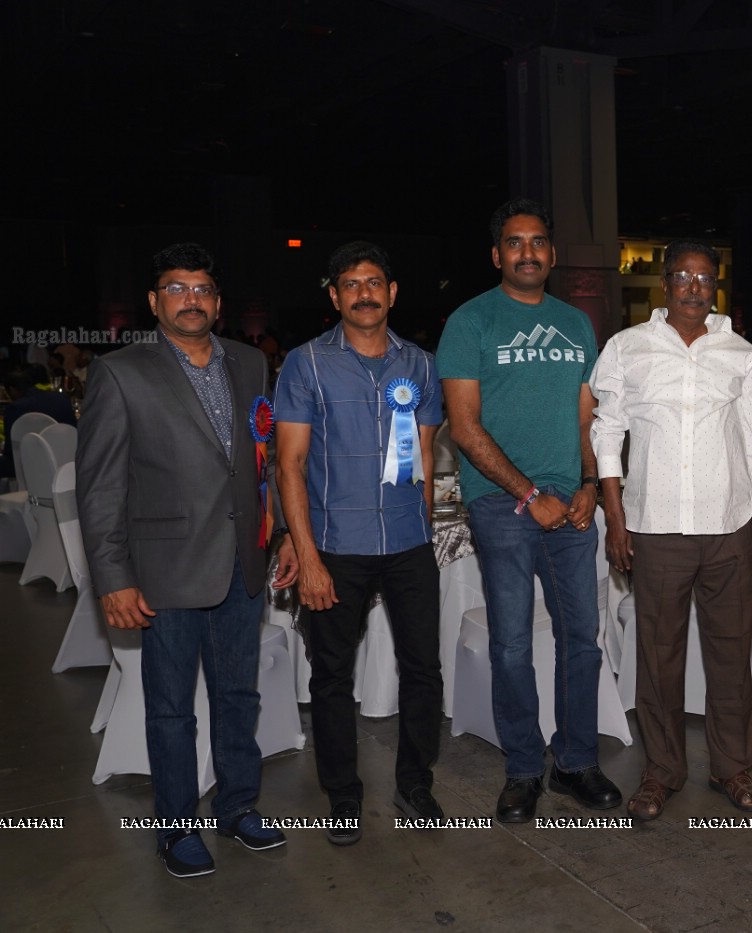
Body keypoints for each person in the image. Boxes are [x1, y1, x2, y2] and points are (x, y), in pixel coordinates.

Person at [76, 242, 297, 877]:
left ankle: (237, 807)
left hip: (243, 565)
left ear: (218, 303)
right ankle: (175, 829)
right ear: (154, 302)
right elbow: (101, 487)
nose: (191, 299)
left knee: (239, 695)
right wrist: (113, 578)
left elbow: (260, 467)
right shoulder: (121, 372)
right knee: (170, 707)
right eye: (177, 288)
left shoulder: (251, 363)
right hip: (164, 571)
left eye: (201, 290)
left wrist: (277, 534)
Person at [437, 199, 621, 822]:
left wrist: (590, 483)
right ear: (497, 255)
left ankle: (575, 762)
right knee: (513, 645)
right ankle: (522, 769)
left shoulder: (575, 324)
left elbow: (585, 414)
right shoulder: (470, 322)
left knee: (583, 643)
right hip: (501, 506)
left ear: (551, 252)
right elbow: (464, 427)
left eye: (538, 242)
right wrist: (526, 494)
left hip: (571, 508)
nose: (528, 252)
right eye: (515, 243)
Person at [591, 240, 752, 820]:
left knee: (729, 652)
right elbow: (607, 433)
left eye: (705, 277)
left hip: (728, 526)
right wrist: (616, 519)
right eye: (683, 276)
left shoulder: (740, 353)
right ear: (664, 284)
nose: (694, 286)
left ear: (714, 285)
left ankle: (733, 767)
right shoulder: (627, 348)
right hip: (656, 528)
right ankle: (662, 772)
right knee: (659, 656)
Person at [276, 241, 445, 845]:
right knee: (331, 676)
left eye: (375, 282)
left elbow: (422, 456)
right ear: (334, 296)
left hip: (407, 543)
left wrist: (423, 535)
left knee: (424, 668)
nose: (364, 293)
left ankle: (416, 782)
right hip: (336, 546)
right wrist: (307, 553)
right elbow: (289, 466)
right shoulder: (305, 364)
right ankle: (343, 795)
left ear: (392, 292)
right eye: (351, 284)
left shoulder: (420, 366)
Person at [2, 364, 76, 479]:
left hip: (30, 466)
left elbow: (11, 451)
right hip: (67, 460)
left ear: (12, 389)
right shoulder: (61, 399)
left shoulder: (15, 408)